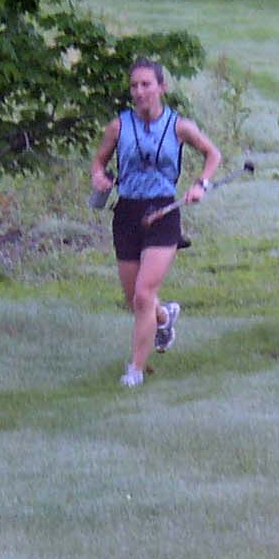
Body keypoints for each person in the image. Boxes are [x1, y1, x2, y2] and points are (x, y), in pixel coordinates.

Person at [90, 59, 222, 387]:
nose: (139, 91)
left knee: (144, 293)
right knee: (135, 300)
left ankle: (134, 370)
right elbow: (99, 161)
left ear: (161, 87)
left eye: (146, 84)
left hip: (164, 211)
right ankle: (164, 317)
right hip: (127, 213)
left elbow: (212, 154)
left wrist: (200, 185)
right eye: (134, 86)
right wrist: (99, 177)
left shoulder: (180, 126)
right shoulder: (118, 127)